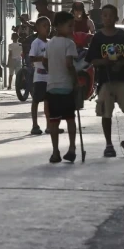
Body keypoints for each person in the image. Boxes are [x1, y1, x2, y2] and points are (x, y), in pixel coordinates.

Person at [86, 4, 124, 157]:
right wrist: (104, 63)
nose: (107, 18)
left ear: (116, 18)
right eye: (104, 15)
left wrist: (120, 64)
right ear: (101, 18)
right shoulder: (98, 37)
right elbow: (91, 59)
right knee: (106, 112)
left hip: (122, 79)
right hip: (105, 80)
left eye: (110, 15)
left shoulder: (122, 36)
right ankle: (109, 144)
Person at [44, 12, 81, 163]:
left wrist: (53, 72)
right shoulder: (69, 44)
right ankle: (72, 148)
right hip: (66, 87)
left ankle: (55, 152)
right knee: (70, 120)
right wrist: (76, 80)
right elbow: (69, 64)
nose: (72, 29)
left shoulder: (49, 43)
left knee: (54, 121)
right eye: (69, 25)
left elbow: (45, 62)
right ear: (59, 26)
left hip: (52, 87)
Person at [27, 18, 51, 135]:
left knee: (48, 101)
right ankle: (35, 125)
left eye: (49, 25)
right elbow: (31, 59)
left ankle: (49, 125)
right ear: (38, 28)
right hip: (40, 76)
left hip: (50, 76)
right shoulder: (36, 43)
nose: (47, 28)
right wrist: (42, 58)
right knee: (36, 100)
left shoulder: (50, 42)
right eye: (44, 26)